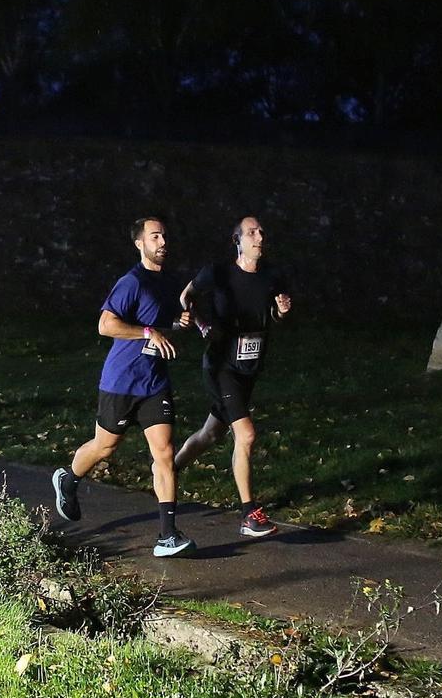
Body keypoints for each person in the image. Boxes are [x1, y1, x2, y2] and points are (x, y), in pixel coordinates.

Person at [51, 217, 198, 557]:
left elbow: (162, 323)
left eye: (164, 235)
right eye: (155, 236)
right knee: (105, 447)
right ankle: (68, 480)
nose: (162, 241)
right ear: (140, 243)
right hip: (121, 381)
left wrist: (177, 323)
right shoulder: (131, 282)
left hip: (154, 382)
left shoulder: (169, 282)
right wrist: (149, 332)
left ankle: (167, 536)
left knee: (164, 453)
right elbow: (106, 324)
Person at [174, 215, 293, 538]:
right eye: (252, 232)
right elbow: (186, 297)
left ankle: (169, 469)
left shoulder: (272, 275)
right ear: (237, 241)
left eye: (262, 232)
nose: (259, 237)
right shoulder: (219, 273)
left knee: (211, 433)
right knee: (247, 434)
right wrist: (201, 326)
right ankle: (248, 514)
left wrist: (281, 311)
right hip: (220, 366)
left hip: (249, 367)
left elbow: (273, 315)